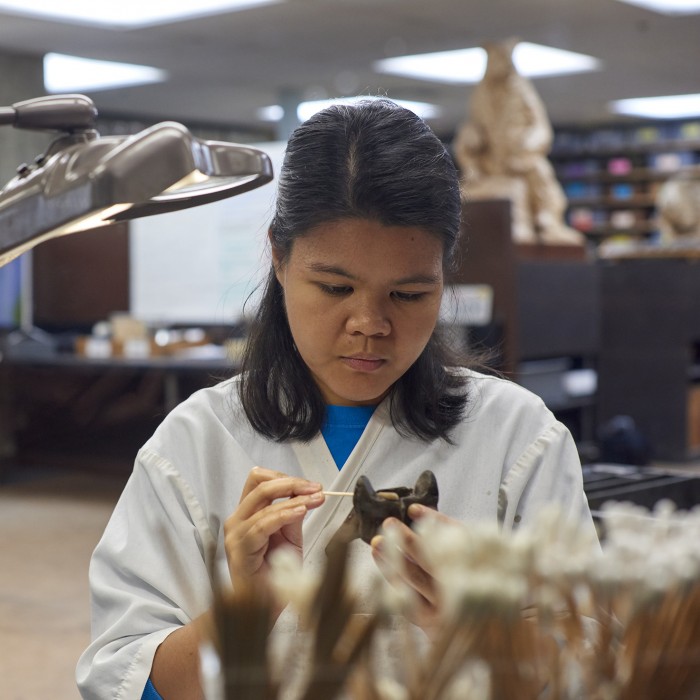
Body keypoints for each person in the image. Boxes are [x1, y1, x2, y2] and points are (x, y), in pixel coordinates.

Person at [76, 98, 596, 699]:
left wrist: (478, 626)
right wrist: (249, 607)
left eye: (407, 294)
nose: (370, 324)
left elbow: (591, 664)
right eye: (335, 287)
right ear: (278, 255)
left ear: (443, 279)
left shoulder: (516, 437)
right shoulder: (194, 443)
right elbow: (124, 679)